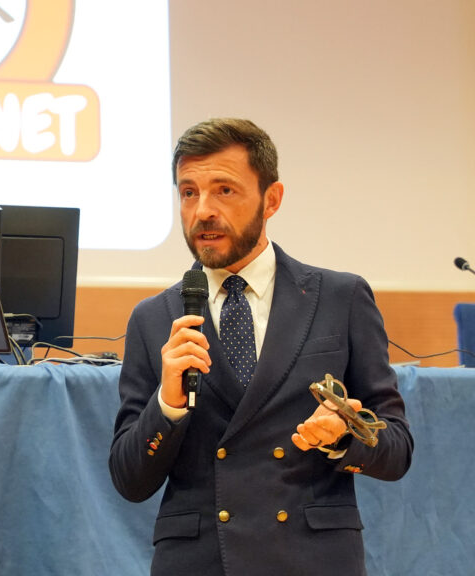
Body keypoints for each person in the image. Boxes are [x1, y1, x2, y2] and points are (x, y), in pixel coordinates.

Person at [108, 118, 412, 576]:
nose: (202, 211)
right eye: (188, 192)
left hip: (312, 560)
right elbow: (130, 481)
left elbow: (397, 451)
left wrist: (345, 434)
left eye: (224, 190)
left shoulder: (341, 298)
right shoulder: (152, 319)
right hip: (200, 562)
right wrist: (166, 406)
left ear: (272, 199)